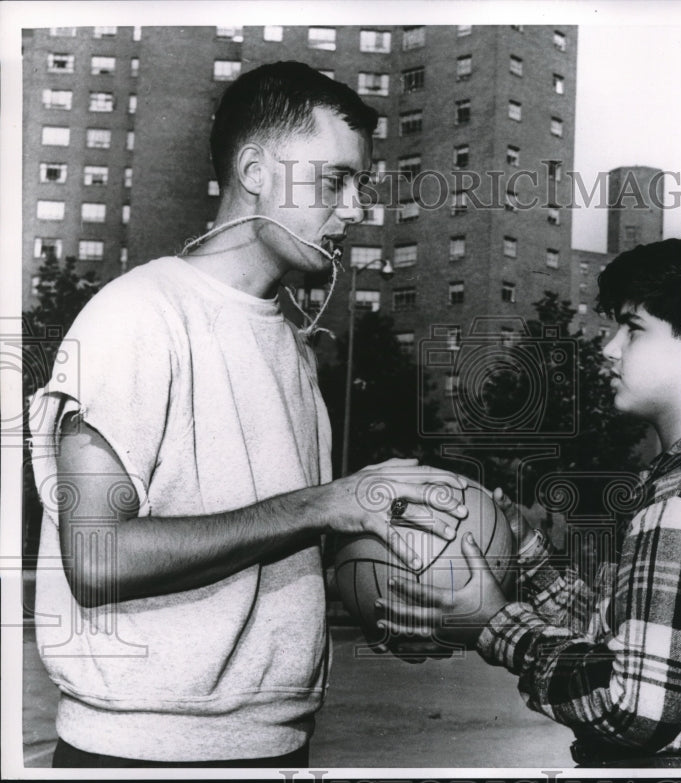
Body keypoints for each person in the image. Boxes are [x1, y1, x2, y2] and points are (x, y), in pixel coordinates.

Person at [27, 61, 468, 768]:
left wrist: (384, 590)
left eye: (360, 185)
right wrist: (325, 503)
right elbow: (98, 558)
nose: (354, 210)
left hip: (278, 742)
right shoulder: (137, 315)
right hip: (145, 753)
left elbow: (269, 552)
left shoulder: (293, 347)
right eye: (335, 180)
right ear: (256, 170)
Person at [383, 235, 681, 769]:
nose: (610, 348)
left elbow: (634, 707)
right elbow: (633, 644)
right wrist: (524, 550)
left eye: (633, 329)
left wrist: (493, 624)